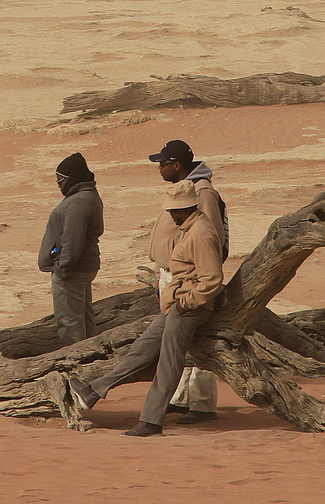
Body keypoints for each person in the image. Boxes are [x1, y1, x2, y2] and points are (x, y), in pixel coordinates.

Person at [68, 180, 224, 436]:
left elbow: (212, 279)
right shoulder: (189, 228)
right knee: (141, 350)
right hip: (176, 304)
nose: (172, 215)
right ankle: (93, 391)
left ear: (187, 207)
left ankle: (151, 421)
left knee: (169, 362)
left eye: (175, 210)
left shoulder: (201, 232)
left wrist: (185, 304)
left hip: (188, 308)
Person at [149, 138, 226, 422]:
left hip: (191, 277)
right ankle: (182, 398)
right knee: (177, 340)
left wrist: (191, 282)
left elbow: (209, 237)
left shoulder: (201, 192)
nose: (159, 168)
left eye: (163, 163)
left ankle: (203, 404)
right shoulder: (182, 189)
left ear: (177, 165)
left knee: (197, 338)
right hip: (172, 272)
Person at [38, 152, 104, 346]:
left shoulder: (77, 202)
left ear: (71, 179)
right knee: (84, 316)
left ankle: (76, 366)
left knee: (69, 322)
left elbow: (72, 240)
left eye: (60, 181)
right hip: (83, 266)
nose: (59, 186)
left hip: (72, 271)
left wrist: (62, 267)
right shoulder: (87, 196)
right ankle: (91, 355)